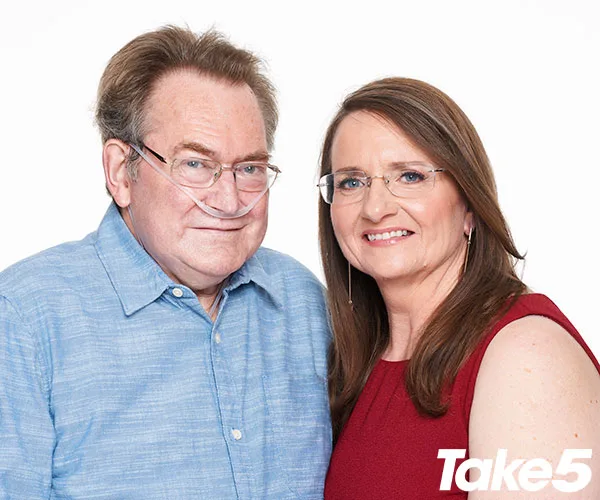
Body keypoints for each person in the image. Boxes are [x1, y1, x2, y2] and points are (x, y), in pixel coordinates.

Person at [0, 26, 331, 499]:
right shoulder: (23, 320)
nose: (229, 200)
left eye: (249, 169)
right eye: (195, 164)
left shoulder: (304, 302)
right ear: (121, 172)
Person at [318, 77, 600, 499]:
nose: (375, 208)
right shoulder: (353, 367)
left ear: (469, 204)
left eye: (410, 176)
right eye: (351, 182)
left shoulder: (526, 356)